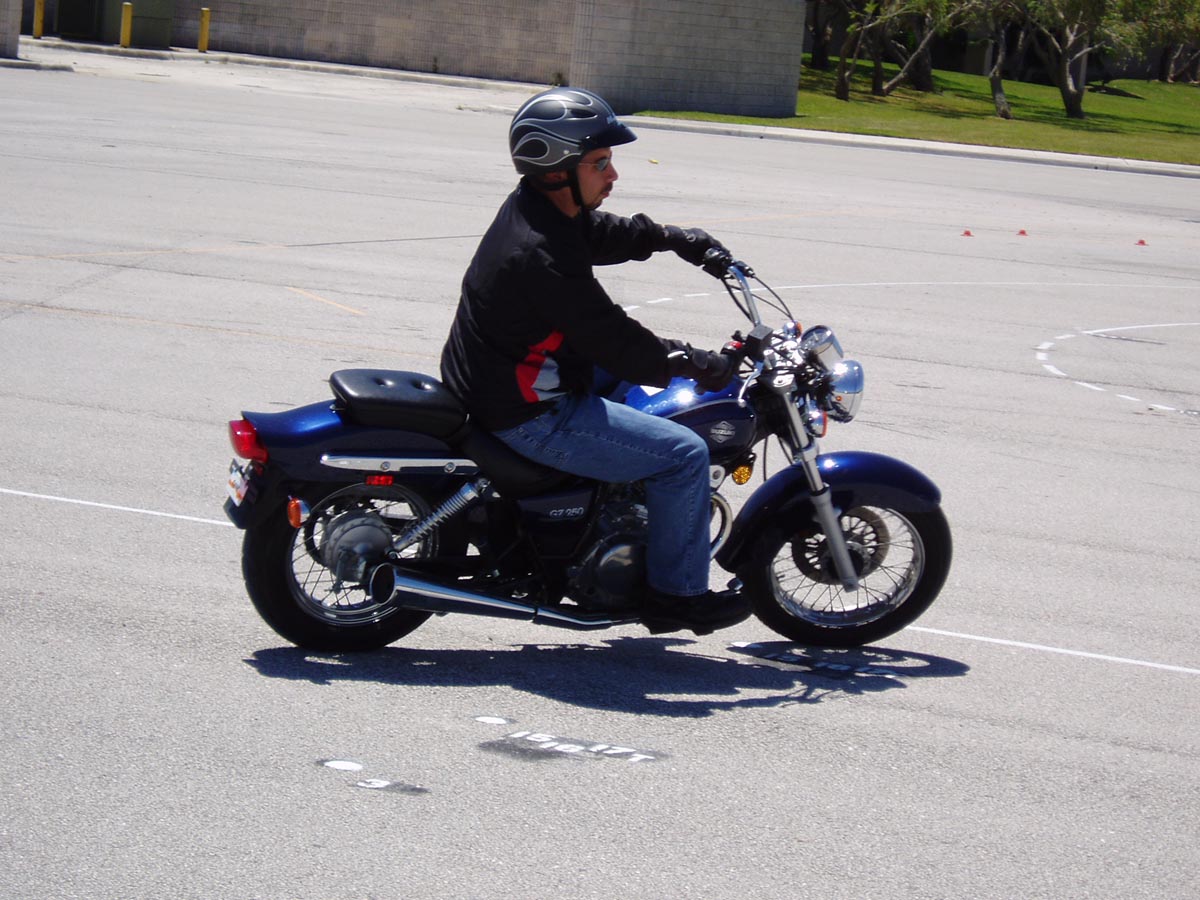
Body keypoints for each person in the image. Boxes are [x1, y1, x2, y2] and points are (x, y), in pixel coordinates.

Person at [440, 87, 751, 635]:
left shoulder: (543, 210)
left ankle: (617, 515)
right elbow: (614, 339)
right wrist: (699, 363)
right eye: (600, 163)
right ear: (558, 168)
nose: (613, 175)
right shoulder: (541, 254)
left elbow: (599, 234)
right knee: (683, 454)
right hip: (527, 410)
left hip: (502, 377)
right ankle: (677, 597)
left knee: (641, 397)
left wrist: (672, 239)